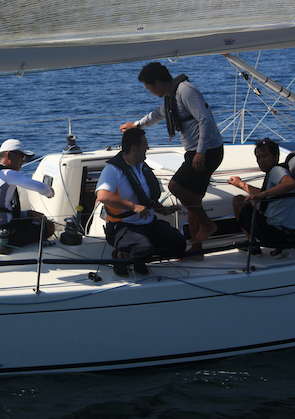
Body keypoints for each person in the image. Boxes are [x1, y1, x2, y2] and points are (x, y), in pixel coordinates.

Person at [120, 62, 224, 253]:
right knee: (193, 199)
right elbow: (158, 115)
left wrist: (201, 152)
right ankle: (197, 250)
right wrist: (136, 125)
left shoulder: (185, 91)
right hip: (196, 151)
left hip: (207, 151)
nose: (149, 91)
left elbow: (205, 120)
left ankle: (207, 224)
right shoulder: (171, 96)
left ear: (156, 82)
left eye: (148, 87)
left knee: (176, 187)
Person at [96, 128, 187, 276]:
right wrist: (133, 207)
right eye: (145, 143)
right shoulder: (112, 170)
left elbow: (146, 198)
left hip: (148, 224)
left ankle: (140, 257)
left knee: (179, 244)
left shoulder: (142, 167)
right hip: (123, 226)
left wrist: (162, 210)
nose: (148, 147)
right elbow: (103, 196)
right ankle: (120, 257)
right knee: (143, 250)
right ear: (134, 148)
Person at [0, 139, 56, 254]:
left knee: (32, 217)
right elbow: (42, 188)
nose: (23, 161)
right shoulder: (8, 173)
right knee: (49, 226)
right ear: (9, 154)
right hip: (5, 234)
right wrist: (50, 192)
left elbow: (1, 209)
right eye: (22, 157)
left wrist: (28, 213)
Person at [228, 138, 295, 254]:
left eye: (265, 156)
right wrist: (241, 184)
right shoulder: (277, 173)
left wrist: (262, 195)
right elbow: (263, 193)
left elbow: (290, 184)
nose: (260, 161)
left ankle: (252, 244)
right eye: (258, 157)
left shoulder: (276, 170)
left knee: (238, 200)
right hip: (293, 235)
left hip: (275, 234)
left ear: (275, 157)